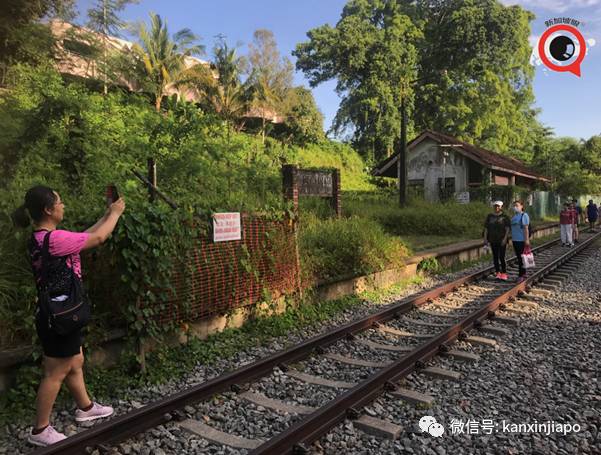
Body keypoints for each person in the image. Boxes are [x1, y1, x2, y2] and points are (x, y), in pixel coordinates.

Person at [12, 185, 125, 447]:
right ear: (48, 210)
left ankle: (85, 408)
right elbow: (98, 239)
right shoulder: (54, 240)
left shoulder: (43, 238)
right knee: (55, 371)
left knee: (75, 360)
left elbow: (86, 235)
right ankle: (40, 430)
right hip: (60, 316)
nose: (64, 206)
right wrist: (116, 214)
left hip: (58, 312)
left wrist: (107, 214)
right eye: (60, 202)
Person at [483, 201, 511, 280]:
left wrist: (505, 239)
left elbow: (507, 229)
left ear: (501, 207)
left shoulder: (505, 217)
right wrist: (485, 239)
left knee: (501, 256)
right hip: (492, 239)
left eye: (498, 206)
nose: (496, 208)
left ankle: (504, 273)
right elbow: (486, 228)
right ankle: (498, 272)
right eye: (495, 206)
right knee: (495, 257)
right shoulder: (490, 216)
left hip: (501, 240)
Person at [510, 200, 530, 283]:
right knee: (519, 258)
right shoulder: (514, 216)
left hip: (521, 240)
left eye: (517, 205)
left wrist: (527, 240)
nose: (515, 207)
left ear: (521, 206)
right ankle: (523, 273)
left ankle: (521, 275)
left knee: (521, 258)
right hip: (515, 240)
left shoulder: (524, 215)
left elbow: (526, 229)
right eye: (514, 205)